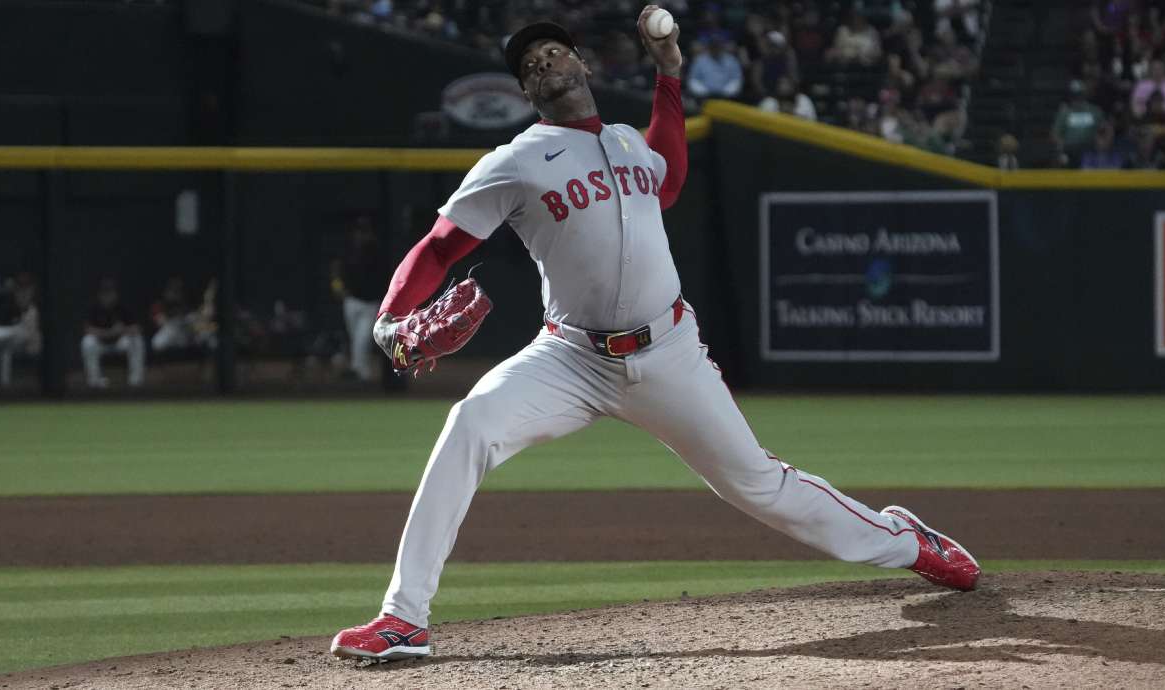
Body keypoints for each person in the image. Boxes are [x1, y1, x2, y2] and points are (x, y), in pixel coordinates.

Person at [329, 7, 980, 663]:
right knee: (469, 423)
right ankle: (403, 619)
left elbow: (667, 178)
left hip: (667, 352)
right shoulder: (515, 161)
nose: (543, 65)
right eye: (530, 67)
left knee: (760, 486)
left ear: (581, 64)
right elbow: (440, 248)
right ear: (526, 94)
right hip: (569, 358)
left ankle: (905, 540)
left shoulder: (624, 142)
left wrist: (668, 75)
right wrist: (390, 318)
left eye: (552, 53)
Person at [330, 216, 387, 381]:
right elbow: (336, 270)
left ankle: (359, 371)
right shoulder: (348, 251)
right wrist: (338, 288)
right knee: (355, 338)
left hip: (370, 303)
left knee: (362, 339)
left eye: (365, 232)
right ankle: (361, 370)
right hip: (352, 300)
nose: (361, 235)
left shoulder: (376, 251)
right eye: (359, 232)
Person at [81, 278, 145, 388]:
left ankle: (136, 380)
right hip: (101, 343)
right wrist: (109, 332)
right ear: (100, 295)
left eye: (110, 293)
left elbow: (137, 328)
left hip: (120, 343)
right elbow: (87, 329)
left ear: (115, 294)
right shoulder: (95, 308)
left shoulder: (121, 307)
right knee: (87, 342)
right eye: (105, 293)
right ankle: (94, 381)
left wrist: (123, 330)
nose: (108, 296)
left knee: (137, 340)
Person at [1052, 79, 1106, 167]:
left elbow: (1105, 129)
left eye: (1079, 95)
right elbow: (1055, 134)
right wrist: (1061, 146)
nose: (1077, 99)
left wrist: (1102, 143)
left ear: (1084, 95)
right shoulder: (1064, 113)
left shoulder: (1094, 111)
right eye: (1074, 96)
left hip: (1090, 150)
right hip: (1069, 150)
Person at [150, 276, 195, 352]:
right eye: (174, 290)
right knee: (157, 343)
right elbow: (159, 322)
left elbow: (191, 318)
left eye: (178, 291)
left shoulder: (183, 304)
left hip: (182, 332)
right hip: (168, 331)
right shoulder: (160, 304)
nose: (176, 293)